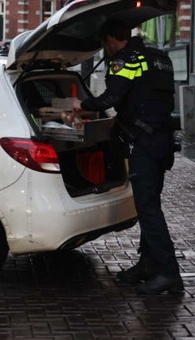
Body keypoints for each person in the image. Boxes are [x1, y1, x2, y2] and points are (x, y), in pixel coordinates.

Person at [69, 19, 181, 295]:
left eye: (103, 44)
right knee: (150, 203)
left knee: (148, 208)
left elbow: (110, 98)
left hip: (144, 141)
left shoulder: (126, 60)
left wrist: (80, 105)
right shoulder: (159, 57)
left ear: (109, 40)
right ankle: (147, 264)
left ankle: (169, 272)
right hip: (163, 139)